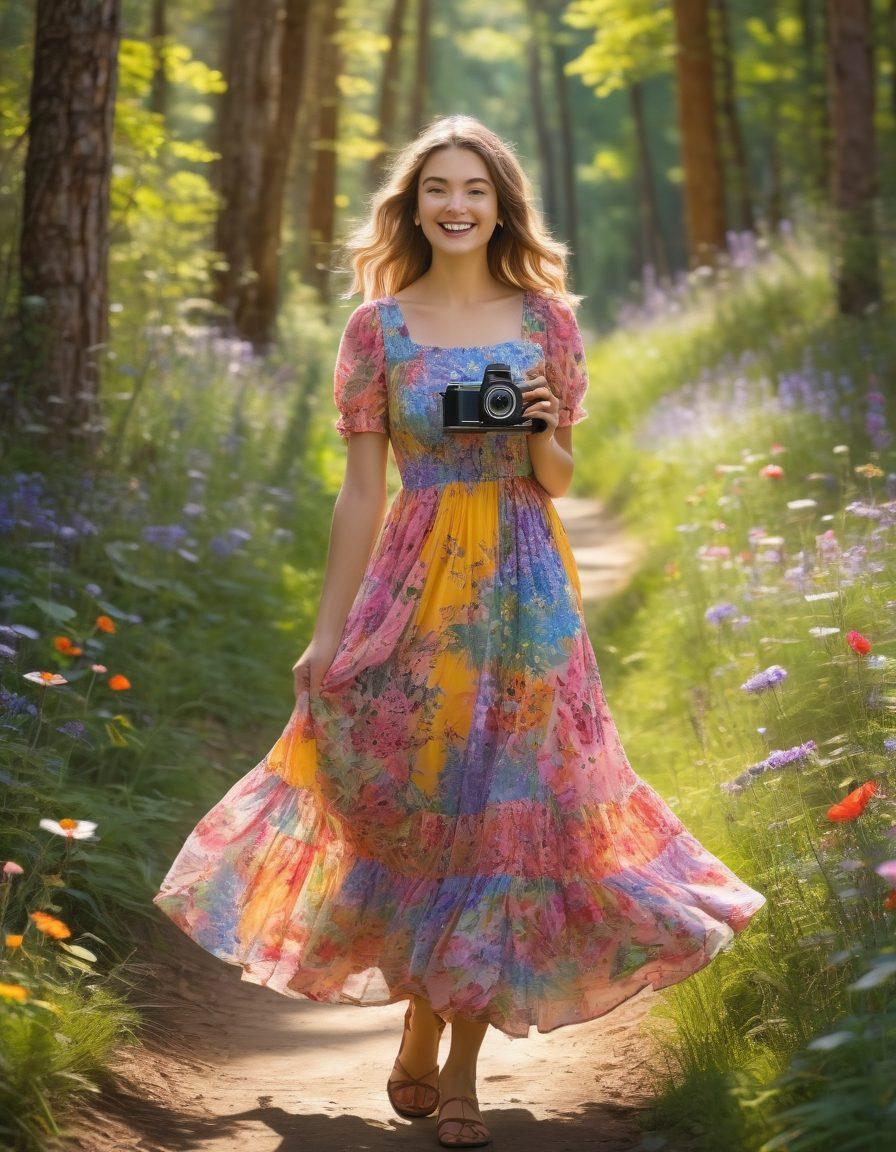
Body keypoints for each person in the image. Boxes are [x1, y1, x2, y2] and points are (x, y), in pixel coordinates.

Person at [153, 114, 766, 1149]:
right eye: (435, 187)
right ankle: (417, 1026)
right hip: (416, 582)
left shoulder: (545, 321)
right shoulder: (376, 330)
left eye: (472, 190)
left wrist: (532, 426)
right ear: (411, 204)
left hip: (526, 596)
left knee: (510, 818)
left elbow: (561, 479)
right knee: (422, 804)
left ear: (499, 205)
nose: (453, 205)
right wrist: (326, 631)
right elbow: (360, 493)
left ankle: (460, 1075)